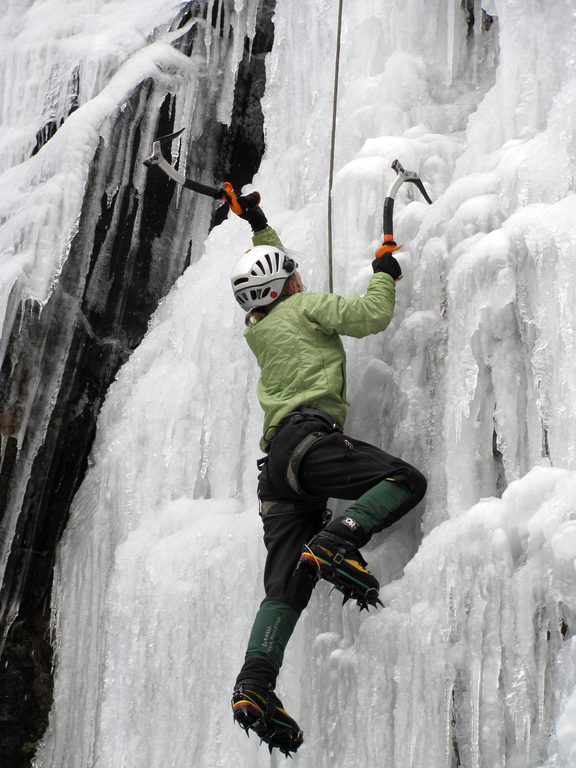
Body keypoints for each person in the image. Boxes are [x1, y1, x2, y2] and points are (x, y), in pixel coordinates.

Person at [227, 192, 427, 757]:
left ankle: (255, 686)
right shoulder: (306, 306)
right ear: (289, 287)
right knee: (406, 479)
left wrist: (259, 225)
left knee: (285, 589)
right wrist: (383, 271)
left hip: (276, 478)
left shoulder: (260, 328)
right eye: (294, 275)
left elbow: (270, 269)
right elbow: (371, 316)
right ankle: (341, 539)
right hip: (308, 444)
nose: (300, 276)